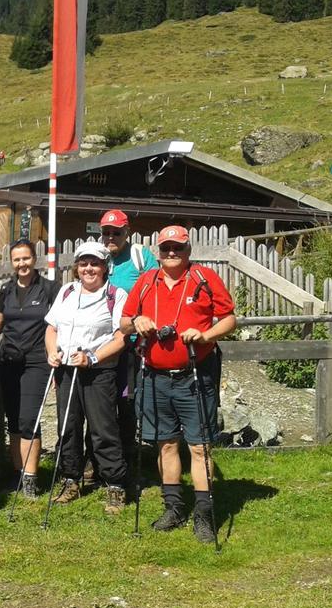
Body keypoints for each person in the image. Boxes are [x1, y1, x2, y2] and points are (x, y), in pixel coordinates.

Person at [120, 224, 236, 543]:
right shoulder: (146, 282)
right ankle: (173, 507)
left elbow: (229, 318)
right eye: (166, 248)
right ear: (158, 251)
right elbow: (124, 321)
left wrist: (206, 335)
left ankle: (204, 514)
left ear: (188, 251)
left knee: (200, 447)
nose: (172, 253)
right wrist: (137, 322)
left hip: (195, 375)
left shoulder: (203, 279)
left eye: (178, 248)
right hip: (155, 376)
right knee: (166, 443)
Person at [44, 241, 129, 514]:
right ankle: (71, 479)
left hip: (98, 371)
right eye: (83, 263)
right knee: (67, 427)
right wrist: (51, 353)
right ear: (76, 267)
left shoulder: (116, 295)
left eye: (95, 263)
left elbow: (120, 338)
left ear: (105, 267)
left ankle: (114, 483)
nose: (89, 268)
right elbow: (51, 328)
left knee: (102, 429)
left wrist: (92, 357)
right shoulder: (67, 291)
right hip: (67, 369)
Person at [0, 239, 60, 498]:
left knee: (30, 417)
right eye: (17, 259)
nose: (22, 263)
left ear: (35, 259)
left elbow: (57, 325)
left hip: (36, 360)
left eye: (26, 258)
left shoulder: (50, 289)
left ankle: (31, 478)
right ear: (12, 262)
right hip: (8, 360)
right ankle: (18, 473)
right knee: (14, 420)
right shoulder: (6, 290)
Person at [96, 208, 160, 479]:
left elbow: (156, 290)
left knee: (129, 401)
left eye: (116, 232)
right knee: (103, 403)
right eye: (106, 232)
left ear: (127, 232)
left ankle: (128, 457)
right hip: (104, 342)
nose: (111, 236)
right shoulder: (99, 259)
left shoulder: (140, 257)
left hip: (133, 343)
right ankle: (103, 459)